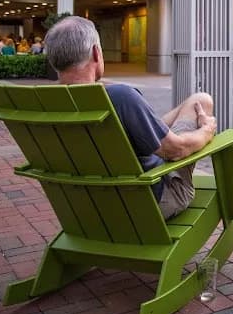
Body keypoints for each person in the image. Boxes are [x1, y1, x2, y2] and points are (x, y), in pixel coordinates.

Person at [44, 16, 217, 219]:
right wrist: (206, 131)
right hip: (148, 204)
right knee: (202, 100)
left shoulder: (45, 105)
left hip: (89, 208)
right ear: (96, 52)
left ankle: (154, 129)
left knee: (186, 106)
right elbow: (176, 150)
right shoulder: (120, 97)